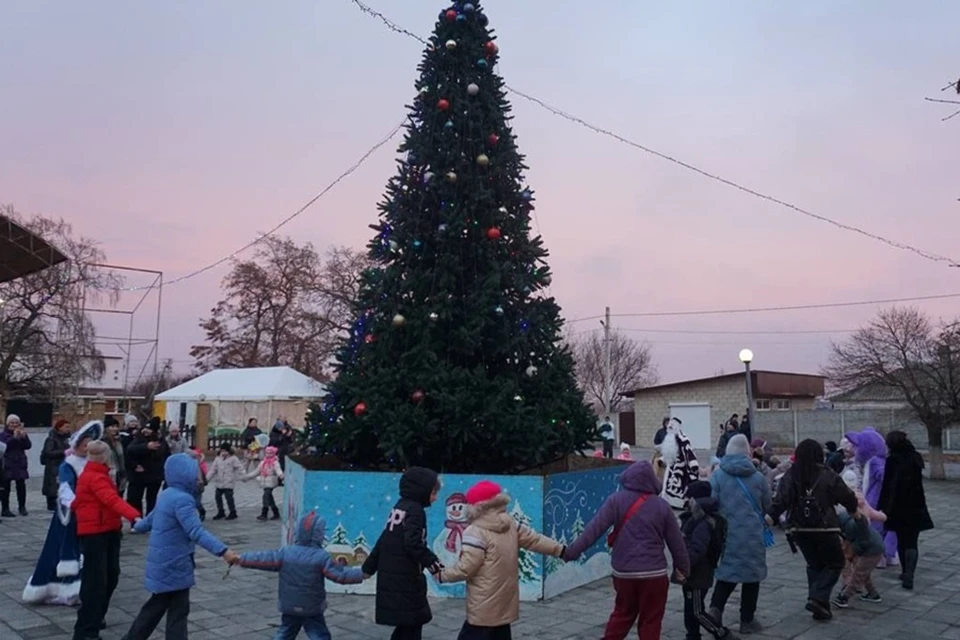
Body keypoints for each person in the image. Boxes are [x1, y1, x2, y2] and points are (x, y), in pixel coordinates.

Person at [563, 460, 690, 640]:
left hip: (624, 573)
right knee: (651, 619)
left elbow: (594, 530)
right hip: (654, 573)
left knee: (622, 614)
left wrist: (571, 552)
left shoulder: (615, 501)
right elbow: (677, 543)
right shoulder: (662, 506)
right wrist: (683, 569)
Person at [122, 454, 238, 640]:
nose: (199, 479)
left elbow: (149, 520)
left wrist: (137, 524)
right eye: (195, 475)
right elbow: (196, 532)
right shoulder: (183, 500)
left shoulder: (167, 494)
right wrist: (223, 551)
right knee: (172, 609)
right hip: (174, 564)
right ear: (185, 475)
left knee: (161, 605)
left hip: (165, 563)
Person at [436, 480, 564, 640]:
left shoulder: (475, 531)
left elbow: (466, 568)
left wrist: (442, 575)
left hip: (483, 602)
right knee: (499, 633)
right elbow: (534, 540)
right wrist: (560, 550)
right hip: (505, 599)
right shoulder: (510, 523)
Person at [234, 510, 365, 639]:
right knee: (318, 633)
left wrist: (241, 559)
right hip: (312, 606)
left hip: (289, 604)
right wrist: (361, 574)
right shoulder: (321, 557)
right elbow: (340, 575)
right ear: (319, 534)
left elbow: (262, 558)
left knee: (285, 632)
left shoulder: (285, 553)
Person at [770, 439, 858, 621]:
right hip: (825, 527)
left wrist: (769, 517)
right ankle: (817, 598)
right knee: (835, 563)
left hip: (799, 528)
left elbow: (781, 500)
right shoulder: (828, 475)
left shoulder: (791, 474)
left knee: (815, 565)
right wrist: (853, 508)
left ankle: (820, 607)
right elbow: (847, 496)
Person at [22, 421, 103, 605]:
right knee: (62, 550)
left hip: (86, 516)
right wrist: (77, 506)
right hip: (68, 517)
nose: (87, 448)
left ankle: (78, 588)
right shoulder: (68, 465)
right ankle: (58, 588)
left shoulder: (90, 464)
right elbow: (65, 490)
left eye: (90, 445)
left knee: (84, 553)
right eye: (84, 445)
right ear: (77, 445)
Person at [362, 467, 444, 640]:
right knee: (412, 623)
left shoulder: (400, 507)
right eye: (433, 493)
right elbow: (413, 543)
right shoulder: (415, 511)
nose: (436, 498)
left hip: (396, 577)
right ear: (421, 491)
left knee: (410, 623)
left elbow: (385, 538)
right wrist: (434, 563)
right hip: (405, 578)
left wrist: (369, 566)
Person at [71, 441, 141, 640]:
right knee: (96, 583)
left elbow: (80, 501)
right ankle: (86, 631)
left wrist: (77, 507)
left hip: (108, 530)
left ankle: (95, 617)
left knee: (110, 576)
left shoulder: (97, 474)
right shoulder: (95, 477)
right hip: (96, 534)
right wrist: (135, 517)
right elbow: (111, 499)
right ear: (105, 457)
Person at [707, 434, 771, 635]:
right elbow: (767, 505)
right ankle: (747, 620)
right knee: (752, 578)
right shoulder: (758, 478)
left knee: (727, 573)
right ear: (747, 452)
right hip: (753, 535)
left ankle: (715, 610)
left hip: (727, 535)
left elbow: (711, 504)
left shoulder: (717, 476)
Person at [877, 430, 934, 591]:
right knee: (912, 542)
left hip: (898, 507)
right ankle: (910, 573)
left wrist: (881, 506)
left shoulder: (893, 460)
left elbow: (887, 486)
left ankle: (905, 572)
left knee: (902, 540)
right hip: (916, 505)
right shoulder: (915, 457)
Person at [679, 481, 734, 640]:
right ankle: (692, 635)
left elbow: (698, 548)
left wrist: (685, 564)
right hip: (695, 570)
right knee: (691, 607)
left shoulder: (702, 520)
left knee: (696, 611)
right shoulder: (698, 517)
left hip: (698, 572)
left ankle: (721, 633)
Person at [845, 428, 898, 568]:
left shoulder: (874, 462)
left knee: (876, 531)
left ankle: (880, 557)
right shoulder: (876, 461)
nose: (854, 450)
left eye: (856, 447)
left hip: (875, 501)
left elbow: (883, 476)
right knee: (885, 529)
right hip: (879, 500)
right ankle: (889, 556)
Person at [832, 470, 886, 609]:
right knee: (863, 572)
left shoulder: (851, 525)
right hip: (872, 547)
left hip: (872, 549)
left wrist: (853, 551)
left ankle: (844, 597)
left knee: (858, 573)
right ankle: (873, 594)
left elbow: (861, 539)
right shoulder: (850, 520)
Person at [125, 421, 168, 516]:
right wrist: (146, 447)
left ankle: (150, 520)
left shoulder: (161, 441)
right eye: (145, 428)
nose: (146, 431)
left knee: (152, 500)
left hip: (154, 476)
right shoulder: (139, 439)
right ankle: (136, 519)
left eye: (149, 429)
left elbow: (164, 455)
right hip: (138, 475)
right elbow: (130, 450)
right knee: (134, 498)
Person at [660, 417, 701, 509]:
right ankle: (668, 500)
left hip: (681, 467)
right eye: (669, 425)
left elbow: (688, 452)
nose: (669, 426)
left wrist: (693, 465)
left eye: (672, 425)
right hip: (671, 466)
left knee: (678, 486)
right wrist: (662, 460)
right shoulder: (669, 438)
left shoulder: (683, 439)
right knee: (668, 484)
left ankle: (678, 503)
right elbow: (669, 452)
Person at [1, 413, 33, 517]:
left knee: (21, 486)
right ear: (7, 424)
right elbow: (4, 447)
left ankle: (22, 507)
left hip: (20, 462)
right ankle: (5, 508)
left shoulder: (22, 433)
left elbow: (28, 446)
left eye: (16, 423)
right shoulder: (3, 434)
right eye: (12, 422)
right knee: (6, 487)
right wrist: (14, 438)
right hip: (7, 462)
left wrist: (24, 438)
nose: (14, 424)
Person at [207, 442, 244, 520]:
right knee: (217, 497)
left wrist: (243, 476)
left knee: (229, 498)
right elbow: (213, 470)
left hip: (228, 482)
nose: (224, 453)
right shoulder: (217, 459)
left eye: (225, 451)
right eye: (222, 451)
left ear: (229, 451)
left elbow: (239, 468)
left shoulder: (233, 458)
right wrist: (207, 479)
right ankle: (221, 511)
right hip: (219, 482)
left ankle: (233, 512)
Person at [41, 419, 72, 512]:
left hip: (63, 464)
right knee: (52, 486)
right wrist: (63, 452)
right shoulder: (51, 439)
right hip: (53, 465)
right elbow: (48, 452)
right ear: (59, 428)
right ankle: (51, 504)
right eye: (66, 427)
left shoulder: (67, 438)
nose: (68, 429)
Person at [249, 445, 284, 521]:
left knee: (266, 496)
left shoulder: (275, 462)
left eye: (270, 453)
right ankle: (276, 513)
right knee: (269, 497)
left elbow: (278, 470)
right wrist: (248, 476)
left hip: (271, 481)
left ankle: (264, 513)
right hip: (264, 481)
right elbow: (257, 471)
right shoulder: (263, 462)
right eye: (267, 453)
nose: (268, 455)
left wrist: (281, 475)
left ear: (273, 454)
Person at [103, 416, 127, 497]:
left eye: (116, 426)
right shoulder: (102, 442)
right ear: (106, 428)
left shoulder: (119, 442)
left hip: (120, 475)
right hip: (108, 475)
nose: (115, 429)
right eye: (112, 426)